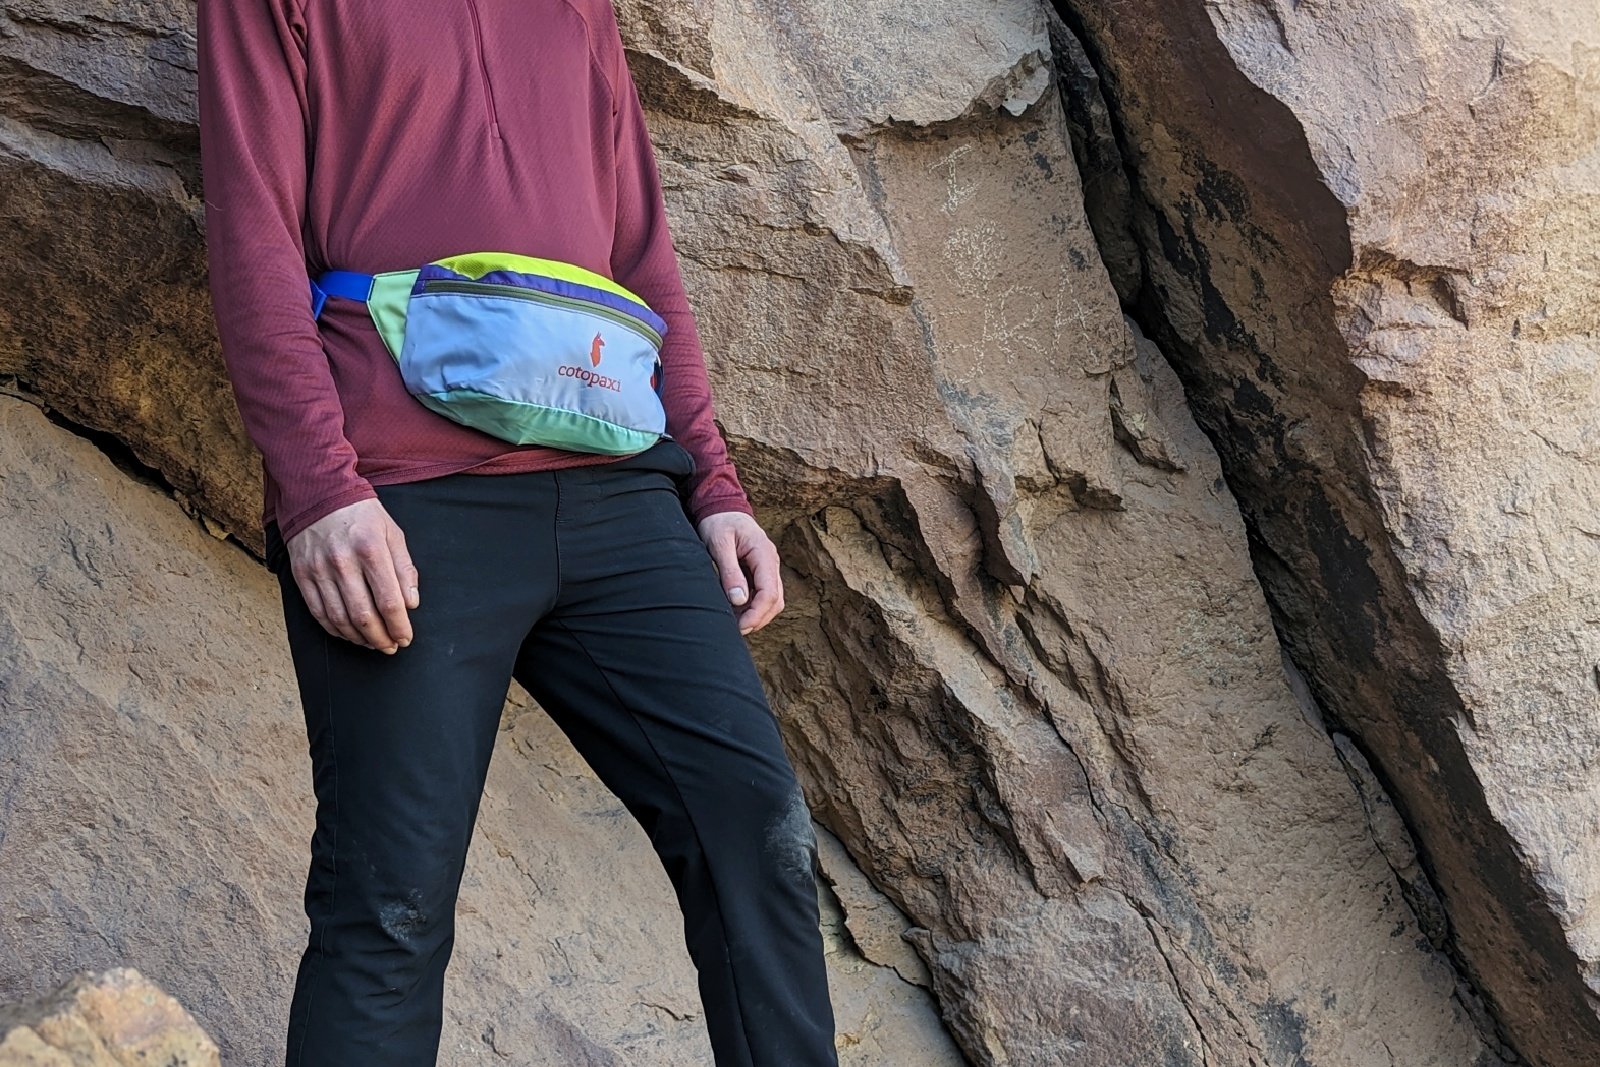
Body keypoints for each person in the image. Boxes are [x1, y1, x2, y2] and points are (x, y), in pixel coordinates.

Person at [194, 2, 840, 1064]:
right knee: (389, 906)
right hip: (404, 500)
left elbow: (642, 258)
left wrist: (714, 486)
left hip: (621, 489)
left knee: (757, 835)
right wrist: (318, 491)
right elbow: (252, 231)